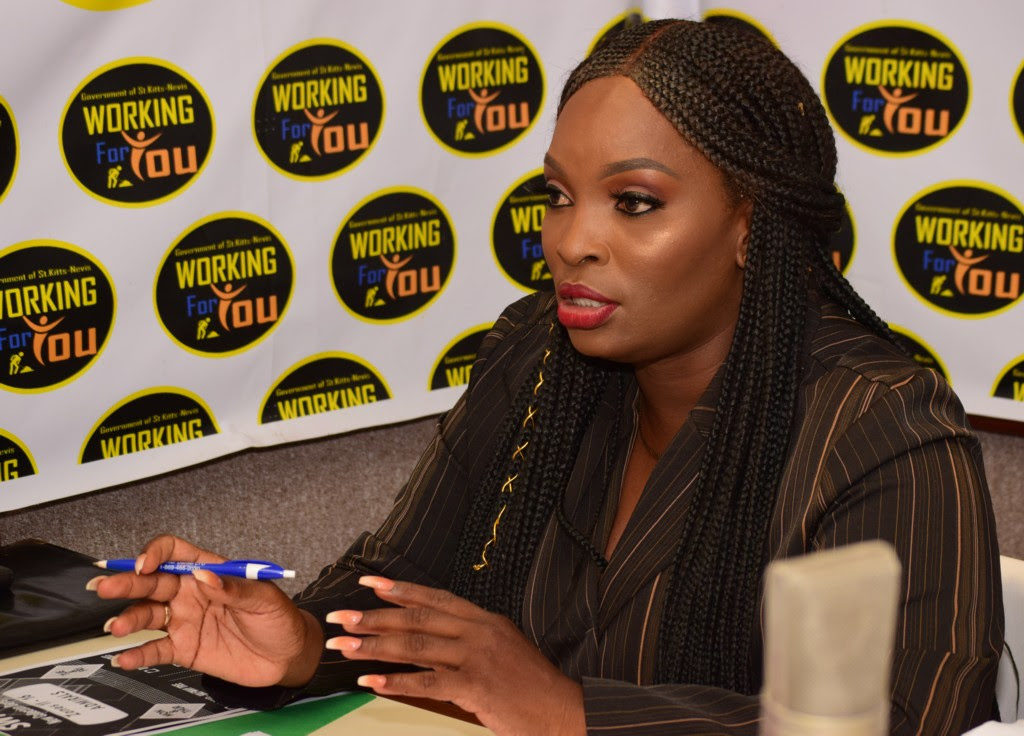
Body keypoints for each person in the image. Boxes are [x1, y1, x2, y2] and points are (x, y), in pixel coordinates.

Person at [88, 19, 1002, 735]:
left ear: (750, 227)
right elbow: (401, 585)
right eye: (559, 196)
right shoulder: (538, 353)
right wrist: (297, 645)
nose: (571, 241)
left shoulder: (879, 424)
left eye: (634, 202)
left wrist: (568, 710)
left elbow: (902, 723)